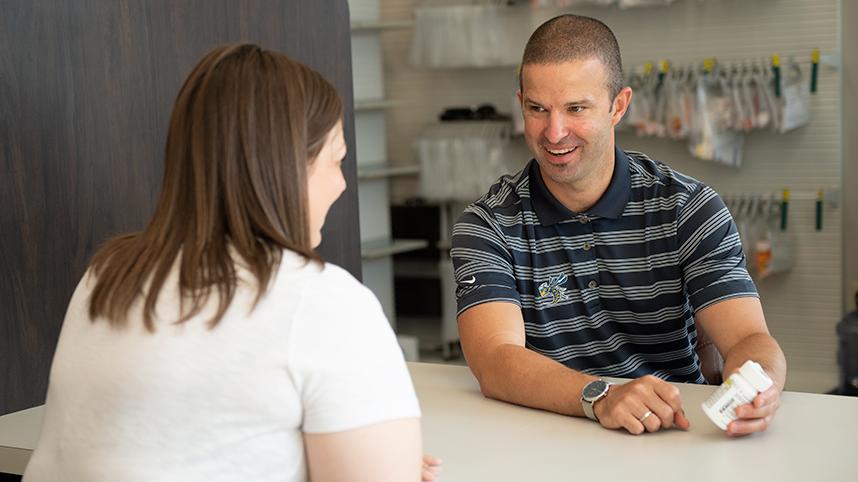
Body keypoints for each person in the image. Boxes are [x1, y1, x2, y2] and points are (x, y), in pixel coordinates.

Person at [23, 44, 440, 482]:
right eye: (336, 160)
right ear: (286, 167)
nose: (340, 185)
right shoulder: (322, 301)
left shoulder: (106, 276)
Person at [451, 15, 786, 437]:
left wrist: (759, 387)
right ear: (521, 103)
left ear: (618, 106)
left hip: (672, 435)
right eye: (538, 109)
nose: (554, 133)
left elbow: (750, 339)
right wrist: (601, 397)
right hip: (544, 436)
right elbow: (495, 361)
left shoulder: (689, 207)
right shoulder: (488, 224)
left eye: (576, 108)